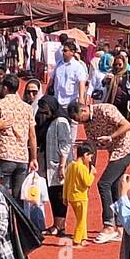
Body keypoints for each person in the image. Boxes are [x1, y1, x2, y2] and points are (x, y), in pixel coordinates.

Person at [69, 100, 130, 244]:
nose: (79, 122)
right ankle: (120, 227)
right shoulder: (87, 125)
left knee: (104, 184)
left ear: (83, 110)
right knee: (113, 186)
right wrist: (88, 169)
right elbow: (91, 148)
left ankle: (109, 226)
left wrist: (110, 137)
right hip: (114, 153)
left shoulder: (106, 109)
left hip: (126, 149)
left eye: (78, 118)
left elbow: (127, 125)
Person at [0, 74, 39, 197]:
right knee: (19, 197)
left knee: (3, 196)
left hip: (3, 155)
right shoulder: (27, 108)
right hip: (22, 157)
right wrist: (33, 158)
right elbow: (32, 136)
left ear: (4, 88)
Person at [42, 99, 75, 237]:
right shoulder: (53, 121)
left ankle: (60, 226)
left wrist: (62, 165)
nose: (44, 112)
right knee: (53, 194)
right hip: (52, 164)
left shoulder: (61, 122)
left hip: (60, 164)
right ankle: (56, 224)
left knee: (60, 195)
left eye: (45, 109)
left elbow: (65, 144)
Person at [63, 142, 96, 246]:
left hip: (72, 197)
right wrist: (92, 174)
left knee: (81, 218)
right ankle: (77, 240)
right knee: (81, 220)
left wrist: (64, 196)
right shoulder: (81, 168)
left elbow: (66, 182)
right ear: (85, 155)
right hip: (81, 197)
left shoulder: (71, 165)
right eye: (90, 157)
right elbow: (88, 182)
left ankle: (83, 238)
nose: (90, 160)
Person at [51, 41, 89, 110]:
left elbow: (81, 83)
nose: (63, 53)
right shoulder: (58, 64)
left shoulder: (78, 67)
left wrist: (81, 99)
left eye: (65, 51)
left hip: (70, 103)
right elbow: (52, 79)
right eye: (63, 50)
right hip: (57, 101)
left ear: (72, 52)